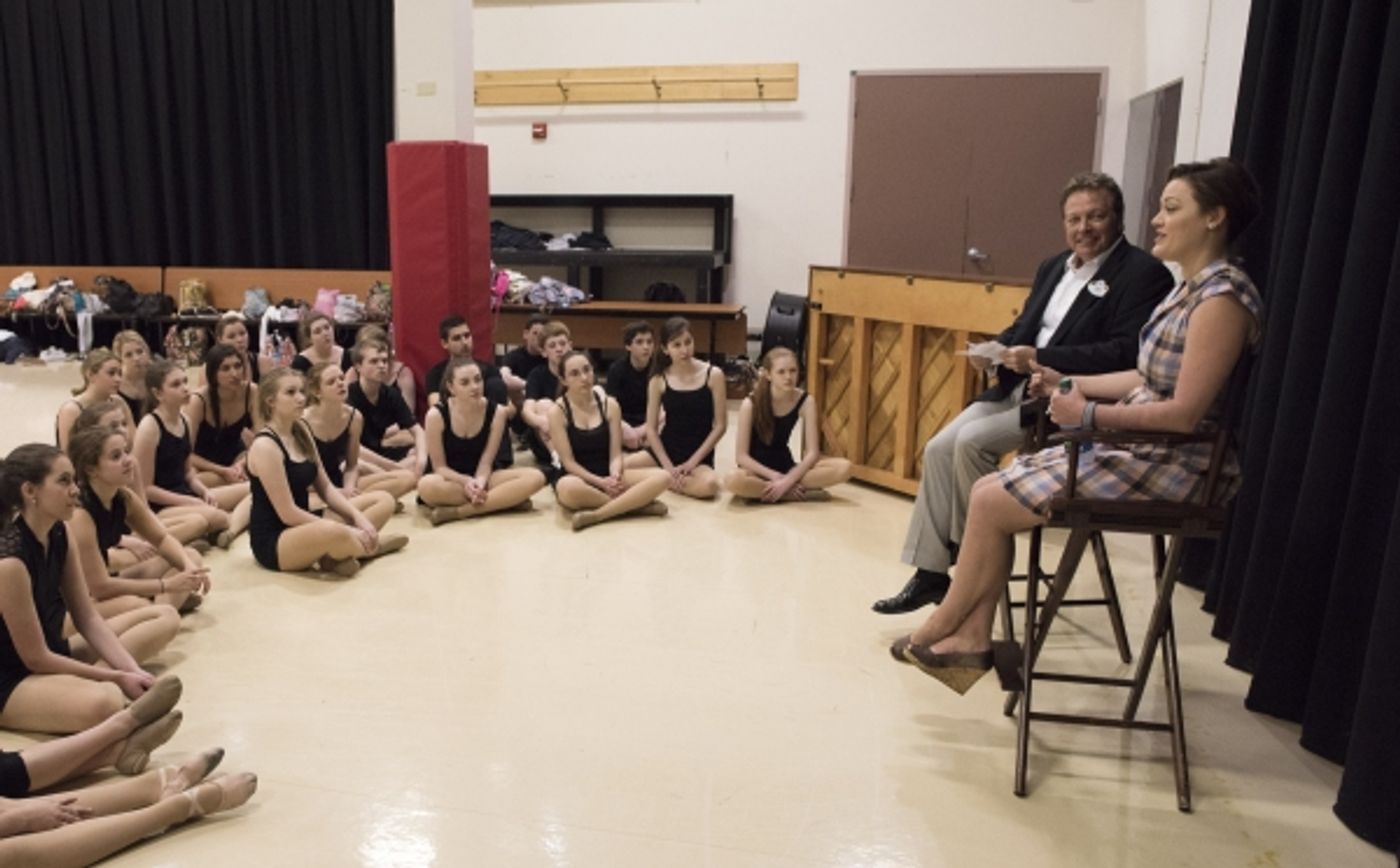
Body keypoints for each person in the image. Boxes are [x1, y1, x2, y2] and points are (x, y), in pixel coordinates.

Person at [889, 158, 1263, 693]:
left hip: (1177, 463)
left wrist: (1085, 413)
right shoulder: (1191, 289)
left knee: (990, 499)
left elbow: (1182, 414)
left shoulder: (1221, 299)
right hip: (1141, 445)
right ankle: (969, 632)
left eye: (1171, 208)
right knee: (987, 486)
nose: (1157, 219)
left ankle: (946, 627)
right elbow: (1144, 373)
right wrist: (1069, 381)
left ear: (1214, 218)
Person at [872, 171, 1176, 615]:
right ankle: (932, 574)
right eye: (1074, 219)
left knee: (972, 445)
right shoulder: (1053, 266)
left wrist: (1042, 356)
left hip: (1073, 398)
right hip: (1018, 388)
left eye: (1095, 217)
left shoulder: (1142, 274)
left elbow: (1126, 351)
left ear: (1118, 219)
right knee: (939, 447)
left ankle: (974, 567)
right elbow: (1024, 327)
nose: (1083, 228)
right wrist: (995, 350)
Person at [0, 444, 180, 735]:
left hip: (53, 650)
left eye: (73, 480)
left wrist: (131, 670)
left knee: (164, 614)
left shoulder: (60, 532)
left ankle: (104, 689)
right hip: (12, 677)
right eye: (63, 481)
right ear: (30, 492)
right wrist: (113, 676)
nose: (75, 490)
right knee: (105, 700)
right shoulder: (9, 562)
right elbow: (35, 658)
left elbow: (88, 618)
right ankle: (102, 702)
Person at [245, 367, 408, 577]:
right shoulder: (265, 446)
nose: (301, 398)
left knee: (384, 500)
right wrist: (345, 529)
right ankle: (367, 548)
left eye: (302, 391)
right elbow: (288, 513)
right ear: (271, 401)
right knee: (333, 530)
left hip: (306, 523)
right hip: (275, 539)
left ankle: (339, 553)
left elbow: (327, 488)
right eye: (291, 392)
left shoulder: (301, 430)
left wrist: (359, 519)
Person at [67, 426, 211, 615]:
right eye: (116, 456)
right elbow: (100, 588)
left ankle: (161, 612)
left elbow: (161, 538)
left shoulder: (123, 497)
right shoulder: (80, 515)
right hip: (79, 599)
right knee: (140, 606)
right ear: (91, 469)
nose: (129, 460)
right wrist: (165, 585)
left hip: (110, 576)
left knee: (191, 556)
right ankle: (159, 612)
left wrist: (188, 567)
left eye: (126, 452)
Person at [131, 360, 249, 548]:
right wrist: (188, 501)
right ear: (157, 393)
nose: (185, 389)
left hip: (185, 493)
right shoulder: (149, 426)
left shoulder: (184, 420)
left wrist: (203, 491)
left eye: (185, 382)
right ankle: (219, 528)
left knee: (252, 489)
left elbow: (187, 472)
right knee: (216, 517)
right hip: (160, 506)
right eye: (176, 385)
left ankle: (223, 531)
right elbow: (145, 489)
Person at [548, 351, 670, 530]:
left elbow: (615, 454)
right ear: (563, 380)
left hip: (609, 471)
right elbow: (569, 463)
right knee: (567, 490)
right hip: (578, 477)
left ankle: (599, 514)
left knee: (663, 477)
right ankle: (634, 507)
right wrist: (601, 482)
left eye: (587, 370)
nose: (584, 377)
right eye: (574, 374)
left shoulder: (610, 405)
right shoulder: (557, 412)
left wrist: (614, 477)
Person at [70, 401, 210, 554]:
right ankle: (178, 547)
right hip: (111, 548)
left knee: (198, 522)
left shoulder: (129, 468)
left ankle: (177, 547)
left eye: (124, 423)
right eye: (113, 426)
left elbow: (144, 510)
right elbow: (93, 542)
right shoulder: (82, 493)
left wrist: (158, 534)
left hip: (134, 531)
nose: (122, 430)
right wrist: (124, 541)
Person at [419, 358, 546, 525]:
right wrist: (466, 482)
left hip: (485, 477)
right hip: (452, 480)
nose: (474, 387)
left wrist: (478, 483)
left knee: (536, 477)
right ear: (451, 387)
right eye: (465, 382)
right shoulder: (436, 416)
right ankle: (504, 501)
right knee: (426, 486)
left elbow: (486, 462)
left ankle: (460, 512)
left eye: (478, 380)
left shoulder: (497, 412)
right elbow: (439, 467)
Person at [725, 347, 852, 502]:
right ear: (768, 374)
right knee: (732, 480)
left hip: (787, 468)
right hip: (757, 471)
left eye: (793, 371)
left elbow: (813, 453)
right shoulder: (750, 404)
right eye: (781, 372)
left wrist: (789, 479)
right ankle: (787, 494)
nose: (788, 377)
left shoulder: (806, 400)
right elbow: (742, 457)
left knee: (845, 468)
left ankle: (772, 492)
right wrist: (776, 477)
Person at [631, 317, 727, 499]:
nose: (684, 350)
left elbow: (720, 426)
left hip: (698, 456)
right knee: (620, 468)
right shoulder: (658, 379)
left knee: (710, 486)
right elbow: (651, 430)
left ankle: (660, 482)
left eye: (688, 342)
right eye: (677, 345)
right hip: (666, 450)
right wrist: (668, 467)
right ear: (665, 349)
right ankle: (665, 479)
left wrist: (692, 463)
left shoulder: (713, 375)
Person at [302, 362, 417, 503]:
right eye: (331, 382)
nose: (340, 384)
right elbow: (300, 476)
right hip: (313, 489)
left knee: (408, 478)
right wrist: (336, 492)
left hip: (341, 480)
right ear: (317, 392)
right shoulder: (302, 422)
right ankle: (362, 503)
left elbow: (351, 466)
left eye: (342, 378)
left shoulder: (354, 417)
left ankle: (359, 502)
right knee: (382, 500)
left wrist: (349, 488)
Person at [346, 340, 428, 476]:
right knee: (358, 466)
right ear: (358, 366)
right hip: (356, 457)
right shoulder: (349, 396)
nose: (382, 366)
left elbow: (417, 430)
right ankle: (397, 476)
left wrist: (421, 460)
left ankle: (396, 476)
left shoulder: (390, 394)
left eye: (384, 361)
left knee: (419, 452)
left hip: (380, 453)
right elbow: (352, 448)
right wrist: (394, 468)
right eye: (374, 361)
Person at [187, 345, 261, 488]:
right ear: (213, 373)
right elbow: (186, 455)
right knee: (193, 482)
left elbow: (262, 438)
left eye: (238, 366)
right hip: (204, 464)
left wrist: (240, 464)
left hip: (237, 458)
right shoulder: (198, 400)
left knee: (263, 465)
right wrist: (223, 471)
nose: (234, 373)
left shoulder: (251, 391)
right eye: (225, 368)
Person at [55, 350, 134, 453]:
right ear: (90, 375)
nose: (118, 379)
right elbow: (69, 453)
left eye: (120, 374)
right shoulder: (72, 409)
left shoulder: (118, 402)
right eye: (111, 373)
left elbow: (133, 442)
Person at [519, 321, 573, 468]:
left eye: (562, 344)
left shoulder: (578, 369)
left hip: (575, 429)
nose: (559, 349)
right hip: (546, 435)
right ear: (543, 352)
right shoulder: (537, 375)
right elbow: (527, 410)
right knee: (544, 405)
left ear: (570, 346)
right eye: (552, 346)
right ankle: (559, 460)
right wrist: (541, 421)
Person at [424, 314, 508, 407]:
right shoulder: (435, 374)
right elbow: (436, 407)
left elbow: (507, 409)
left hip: (487, 418)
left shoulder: (490, 370)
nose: (464, 342)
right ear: (444, 343)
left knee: (495, 384)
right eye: (457, 338)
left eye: (467, 336)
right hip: (453, 419)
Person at [604, 321, 654, 451]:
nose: (646, 347)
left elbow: (664, 408)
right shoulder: (616, 369)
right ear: (628, 346)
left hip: (650, 422)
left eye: (649, 342)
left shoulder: (659, 369)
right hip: (624, 422)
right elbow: (610, 405)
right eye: (639, 342)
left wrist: (642, 430)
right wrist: (625, 428)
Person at [212, 313, 273, 385]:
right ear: (220, 340)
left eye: (242, 333)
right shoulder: (210, 367)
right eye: (231, 336)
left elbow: (272, 393)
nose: (240, 340)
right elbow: (201, 395)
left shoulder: (263, 362)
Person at [111, 331, 152, 422]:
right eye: (128, 355)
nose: (136, 358)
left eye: (139, 352)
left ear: (147, 352)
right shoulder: (114, 385)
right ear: (120, 360)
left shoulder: (158, 379)